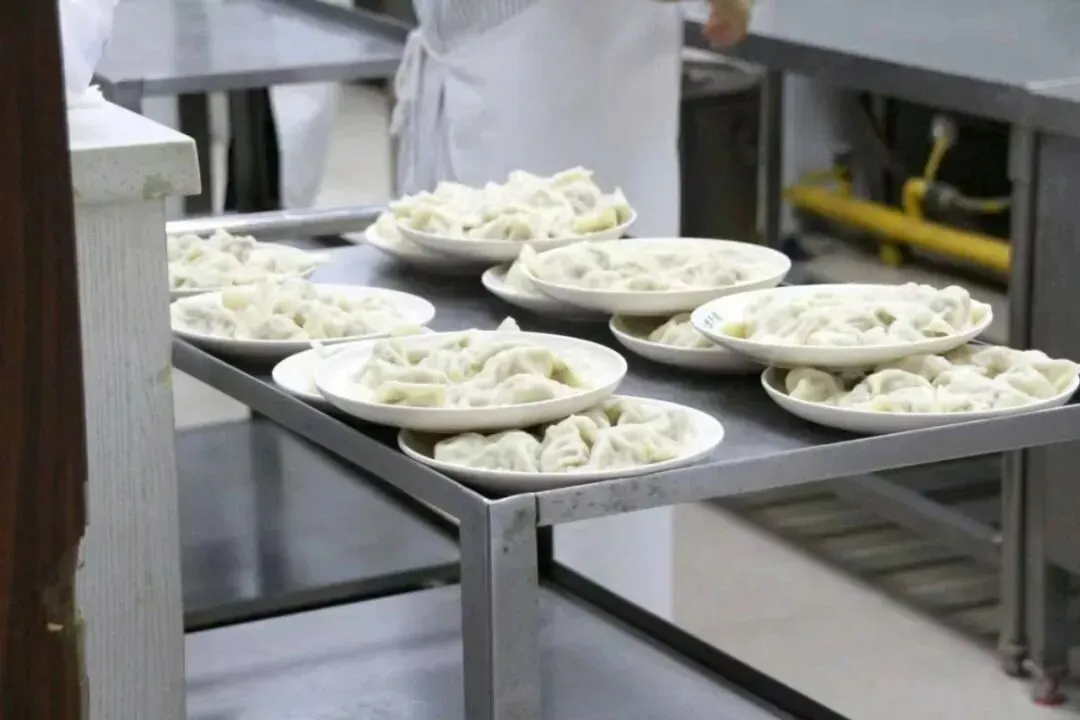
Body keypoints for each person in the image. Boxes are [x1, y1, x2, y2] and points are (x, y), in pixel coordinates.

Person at [271, 0, 753, 616]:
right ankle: (509, 619)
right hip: (526, 78)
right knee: (484, 393)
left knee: (605, 399)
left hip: (590, 87)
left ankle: (577, 621)